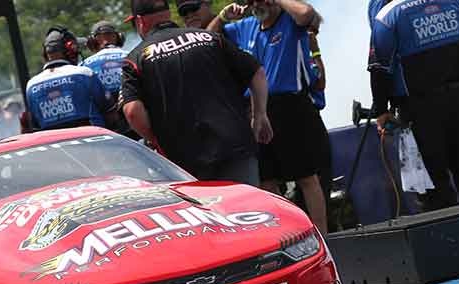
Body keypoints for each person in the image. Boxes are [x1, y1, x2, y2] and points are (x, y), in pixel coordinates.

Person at [121, 0, 272, 186]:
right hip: (235, 145)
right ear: (168, 14)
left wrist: (157, 141)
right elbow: (257, 72)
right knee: (250, 211)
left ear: (140, 22)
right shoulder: (209, 38)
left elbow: (132, 111)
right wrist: (260, 115)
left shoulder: (134, 59)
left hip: (184, 160)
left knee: (208, 214)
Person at [211, 0, 330, 234]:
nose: (256, 4)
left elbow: (306, 14)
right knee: (266, 181)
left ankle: (323, 238)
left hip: (290, 105)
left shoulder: (290, 21)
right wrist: (223, 16)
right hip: (254, 109)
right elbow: (208, 38)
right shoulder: (246, 26)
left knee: (306, 176)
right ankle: (287, 234)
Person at [370, 0, 459, 210]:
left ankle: (447, 240)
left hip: (419, 110)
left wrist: (382, 111)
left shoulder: (387, 15)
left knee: (434, 187)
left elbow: (380, 68)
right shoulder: (456, 4)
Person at [25, 27, 112, 130]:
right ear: (71, 50)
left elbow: (36, 125)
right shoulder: (85, 74)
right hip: (95, 142)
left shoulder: (31, 85)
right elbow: (109, 112)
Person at [82, 21, 134, 137]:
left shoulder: (83, 67)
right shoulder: (133, 55)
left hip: (107, 132)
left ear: (92, 42)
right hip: (136, 123)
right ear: (119, 38)